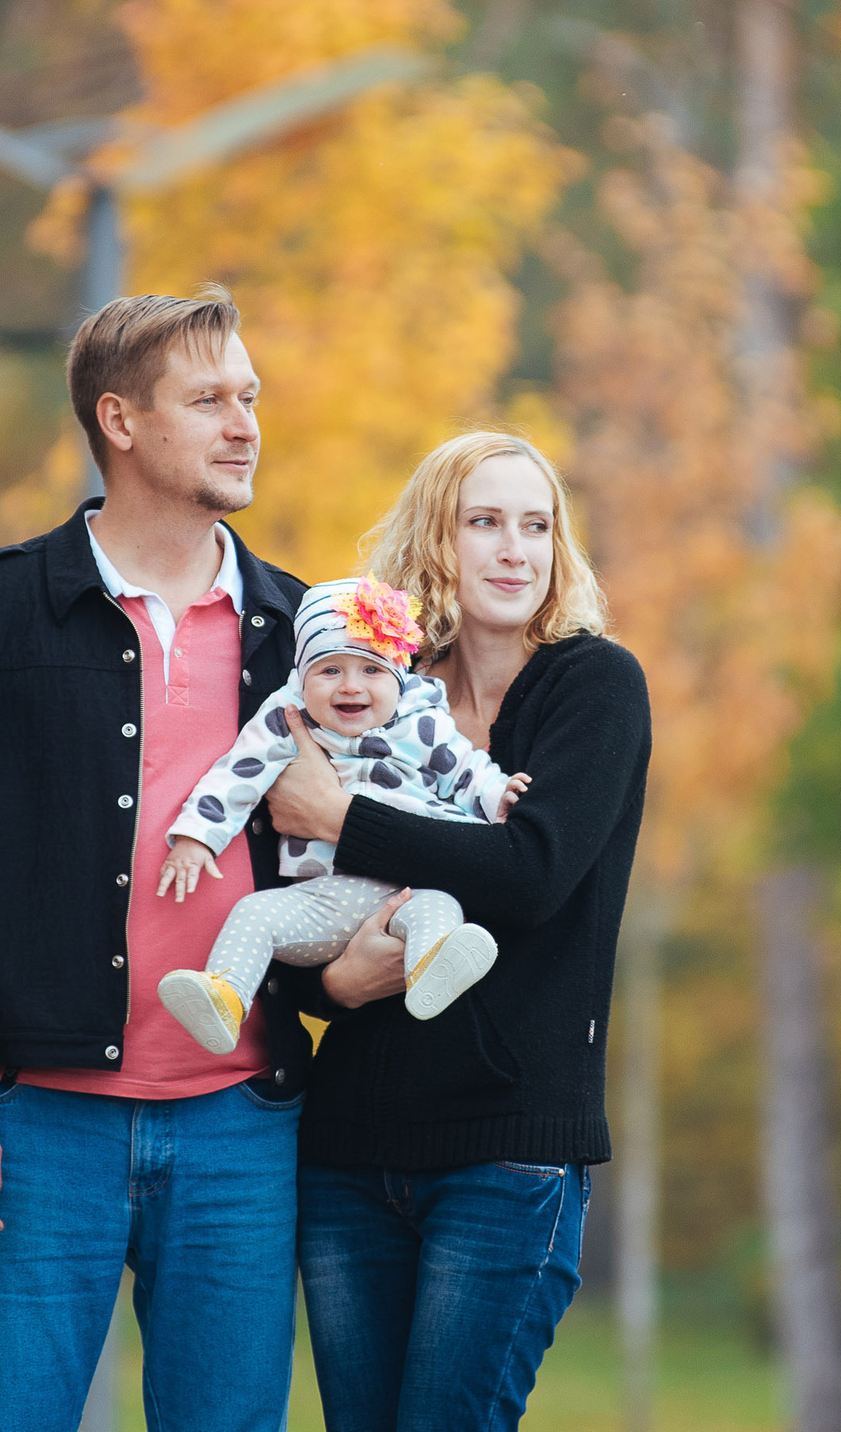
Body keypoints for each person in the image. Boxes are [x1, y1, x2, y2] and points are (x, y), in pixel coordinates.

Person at [0, 288, 322, 1432]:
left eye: (250, 396)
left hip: (240, 1128)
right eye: (209, 399)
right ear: (119, 419)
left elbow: (337, 862)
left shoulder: (305, 633)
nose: (245, 424)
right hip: (29, 1131)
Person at [264, 430, 652, 1432]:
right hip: (348, 1156)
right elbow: (299, 899)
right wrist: (328, 987)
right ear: (434, 538)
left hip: (507, 1156)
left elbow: (532, 873)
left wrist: (342, 813)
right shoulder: (370, 688)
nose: (514, 549)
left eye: (536, 525)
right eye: (484, 521)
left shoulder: (593, 686)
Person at [152, 575, 527, 1055]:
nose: (351, 686)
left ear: (398, 678)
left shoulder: (420, 721)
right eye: (329, 670)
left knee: (439, 909)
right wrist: (197, 837)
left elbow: (465, 771)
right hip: (325, 900)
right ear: (302, 677)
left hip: (413, 885)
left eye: (371, 670)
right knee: (253, 913)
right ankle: (225, 996)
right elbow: (237, 774)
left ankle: (432, 967)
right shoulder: (287, 719)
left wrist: (497, 795)